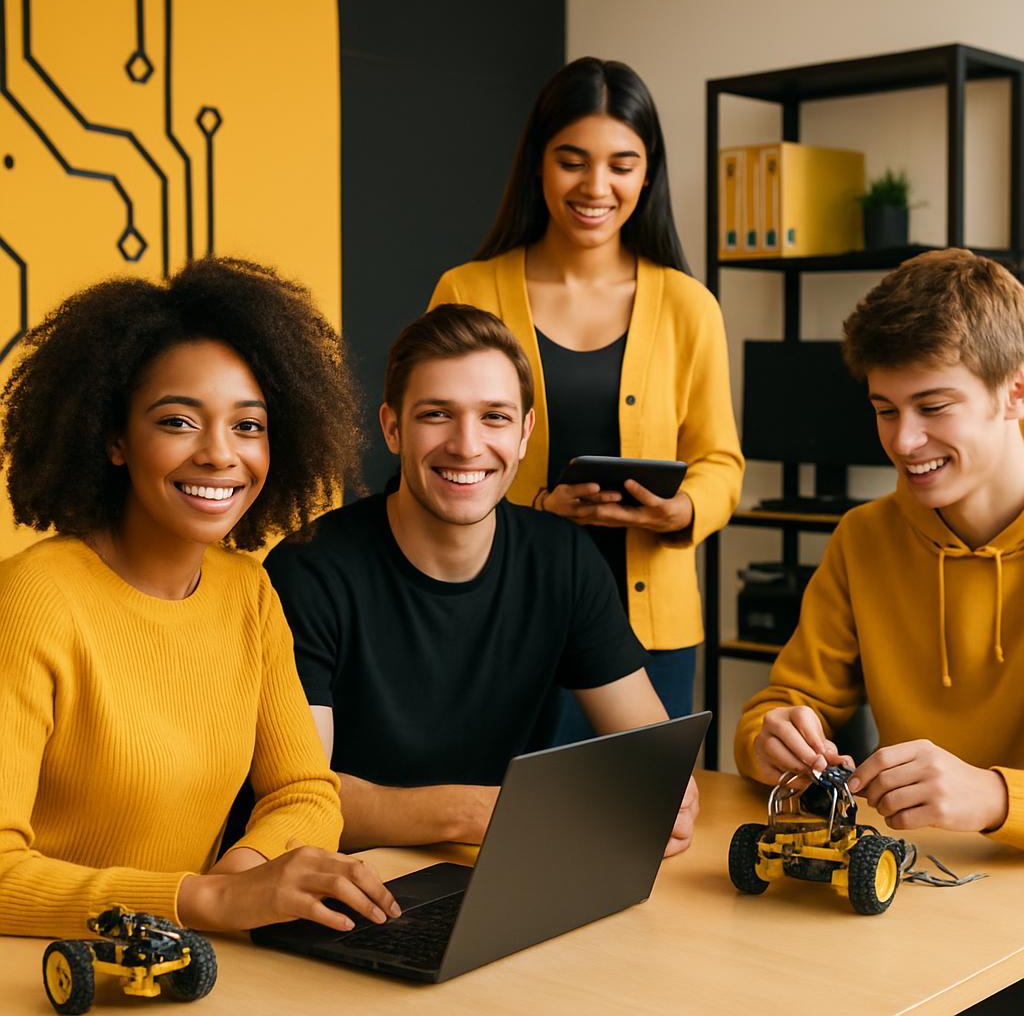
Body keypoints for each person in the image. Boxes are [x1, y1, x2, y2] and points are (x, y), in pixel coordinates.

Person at [0, 257, 400, 938]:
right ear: (115, 438)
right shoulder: (34, 599)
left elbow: (305, 793)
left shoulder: (248, 593)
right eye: (179, 421)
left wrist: (242, 878)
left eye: (248, 426)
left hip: (184, 966)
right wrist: (202, 902)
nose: (220, 455)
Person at [265, 303, 699, 853]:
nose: (467, 445)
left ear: (524, 433)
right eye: (437, 415)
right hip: (347, 878)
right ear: (393, 429)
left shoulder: (562, 558)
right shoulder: (308, 570)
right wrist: (475, 814)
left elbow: (649, 756)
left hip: (498, 870)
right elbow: (299, 798)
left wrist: (665, 796)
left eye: (494, 416)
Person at [428, 57, 743, 742]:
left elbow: (721, 460)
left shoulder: (690, 307)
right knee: (502, 826)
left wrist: (682, 509)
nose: (596, 186)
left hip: (652, 633)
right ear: (538, 164)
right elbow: (438, 453)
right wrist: (538, 508)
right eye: (572, 161)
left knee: (646, 830)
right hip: (503, 619)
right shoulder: (467, 291)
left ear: (648, 171)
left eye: (621, 164)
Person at [734, 248, 1024, 849]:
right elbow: (786, 701)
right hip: (911, 878)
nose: (904, 440)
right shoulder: (863, 537)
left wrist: (997, 797)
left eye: (933, 407)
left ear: (1015, 393)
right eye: (884, 410)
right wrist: (772, 737)